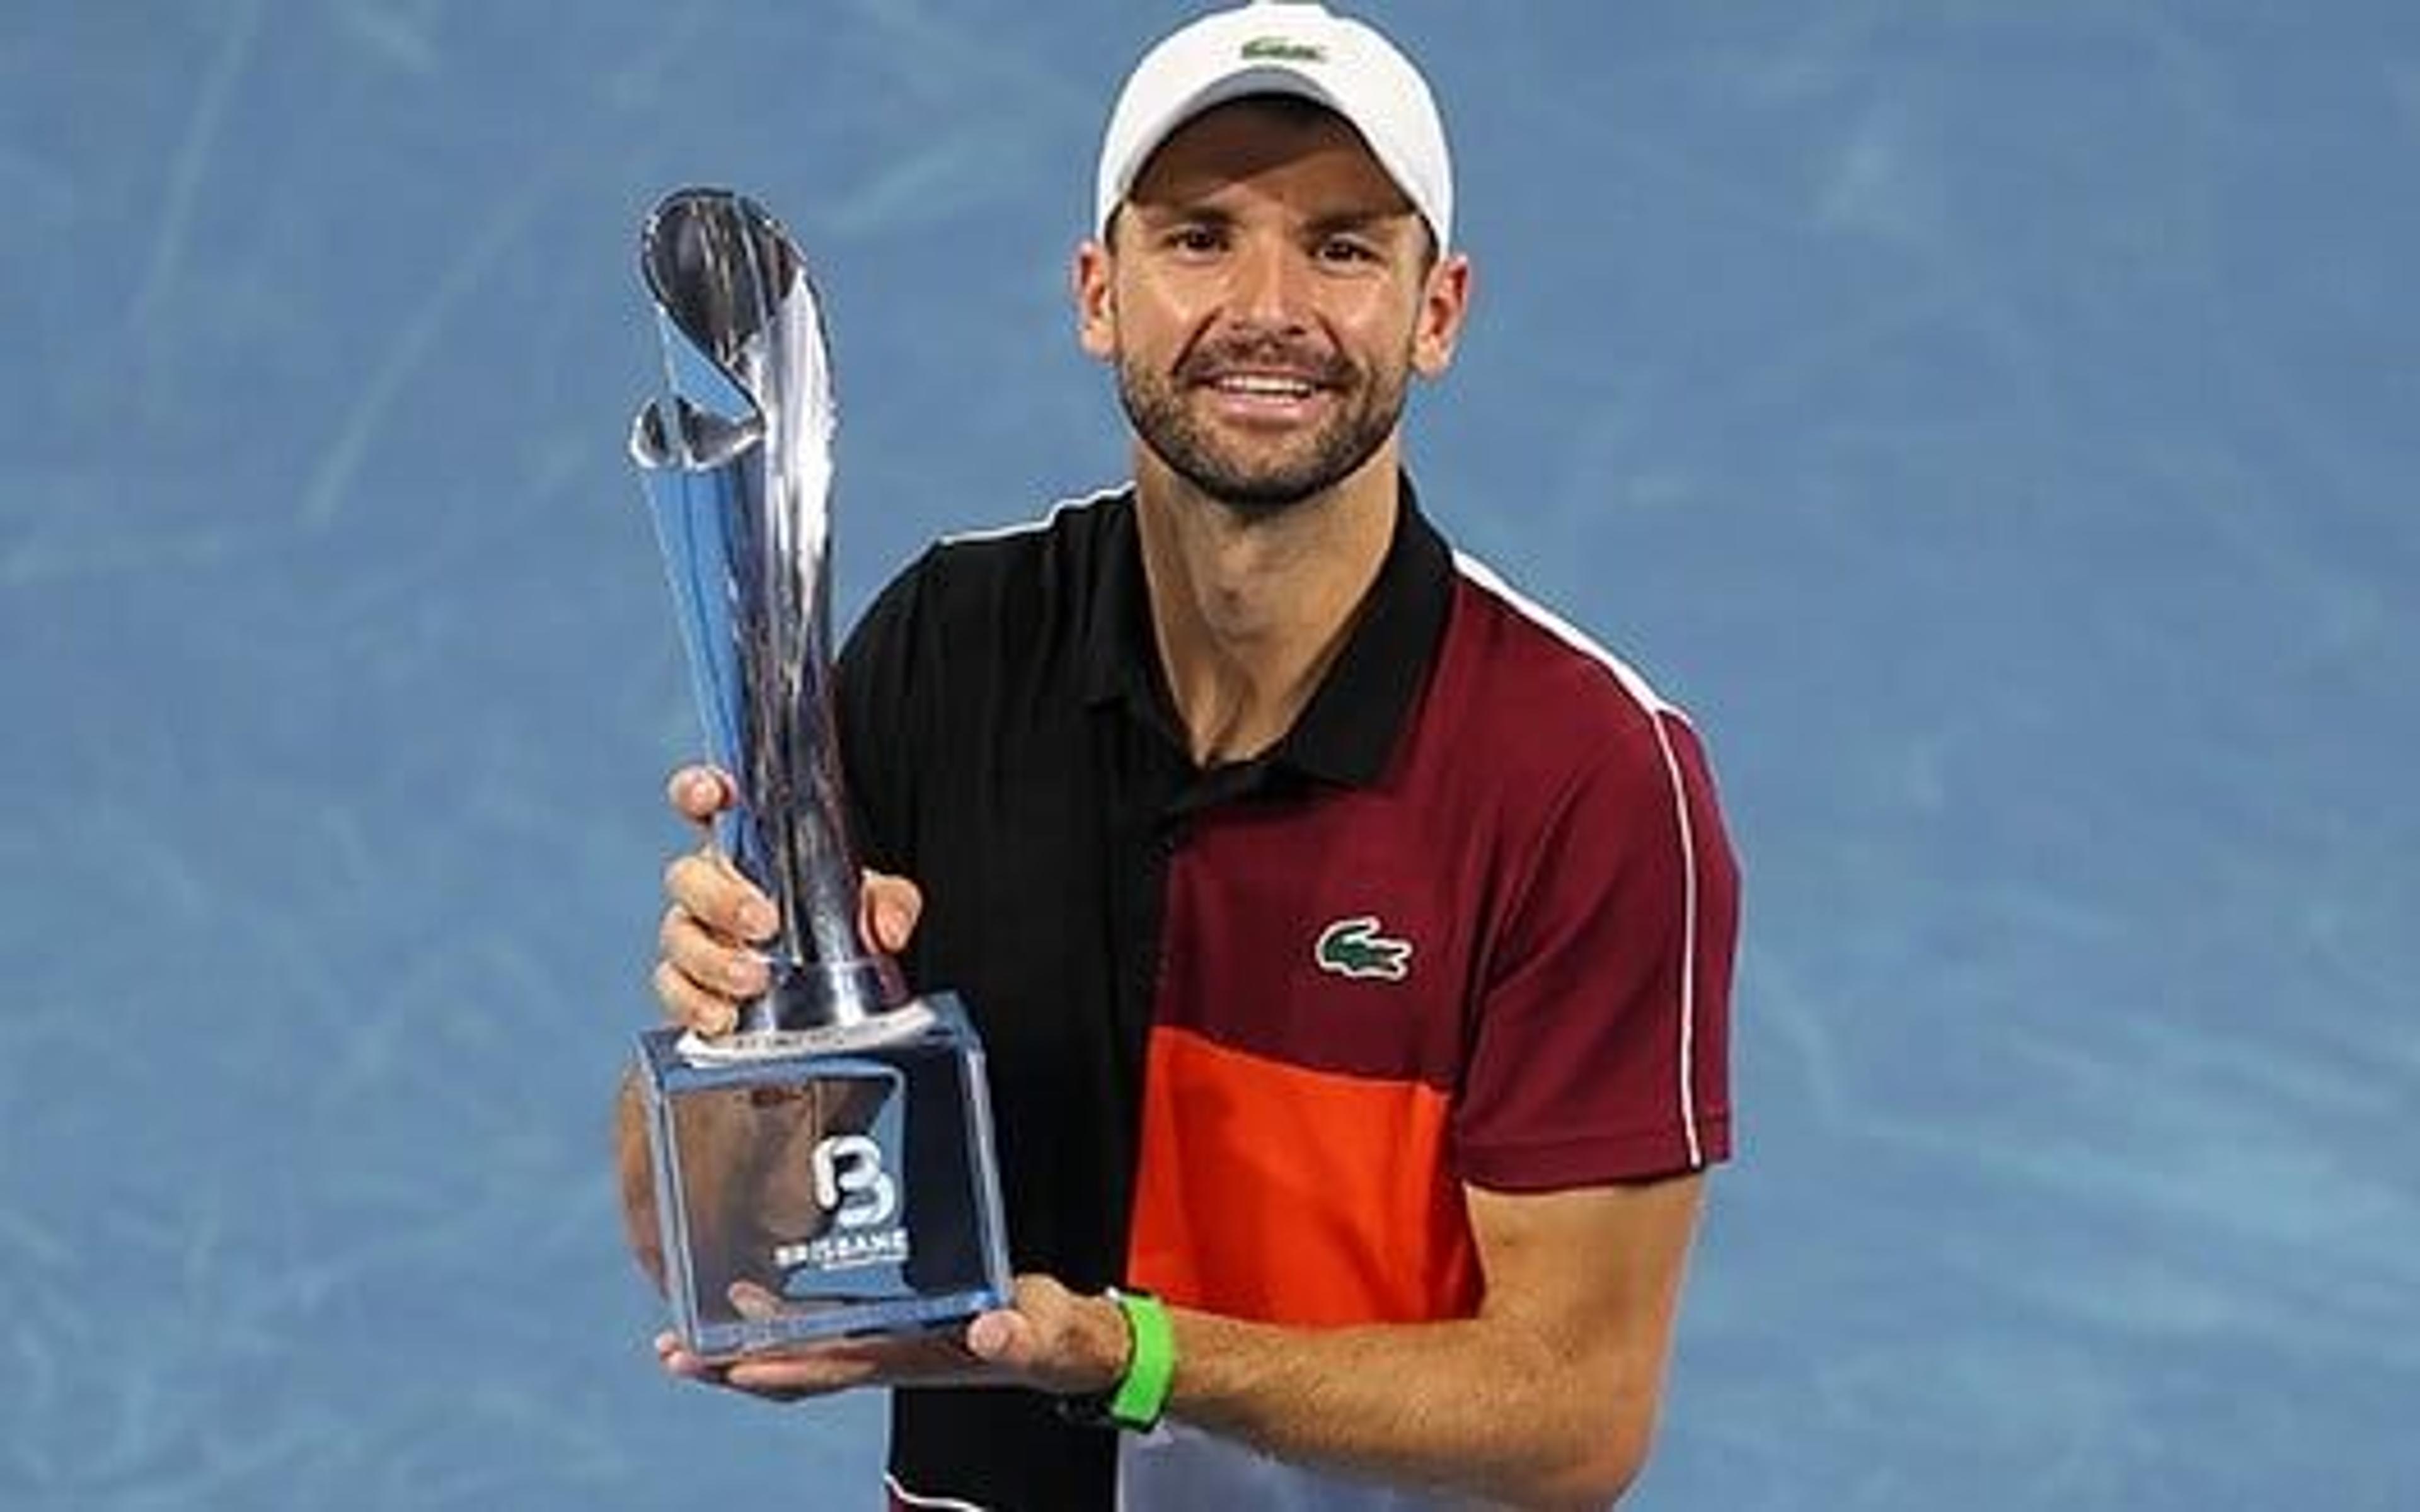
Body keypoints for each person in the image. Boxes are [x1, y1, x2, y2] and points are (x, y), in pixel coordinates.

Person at [624, 3, 1739, 1507]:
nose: (1267, 305)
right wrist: (738, 1039)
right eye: (1199, 238)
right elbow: (718, 1250)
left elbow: (1575, 1414)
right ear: (1100, 292)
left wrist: (1136, 1358)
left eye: (1343, 246)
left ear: (1440, 310)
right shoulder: (949, 645)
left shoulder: (1588, 778)